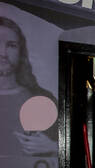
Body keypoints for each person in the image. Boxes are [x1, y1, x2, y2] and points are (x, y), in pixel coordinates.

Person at [0, 16, 57, 157]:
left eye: (11, 45)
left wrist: (54, 147)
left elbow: (69, 146)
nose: (2, 53)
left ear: (21, 52)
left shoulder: (41, 99)